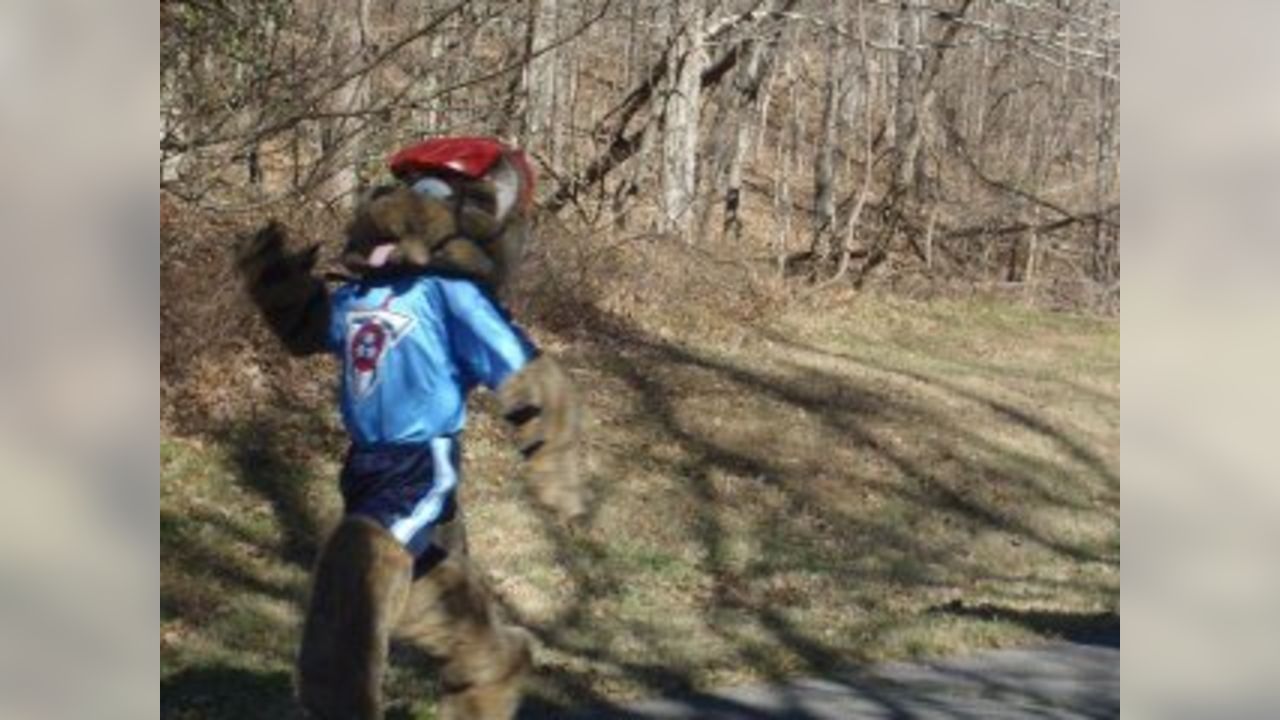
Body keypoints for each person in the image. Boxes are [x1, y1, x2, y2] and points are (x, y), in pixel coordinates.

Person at [236, 137, 583, 719]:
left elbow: (524, 371)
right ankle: (488, 664)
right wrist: (281, 289)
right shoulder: (363, 291)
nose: (403, 205)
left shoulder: (452, 293)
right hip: (365, 462)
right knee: (431, 582)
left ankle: (332, 708)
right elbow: (314, 331)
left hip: (420, 461)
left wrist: (555, 459)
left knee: (358, 564)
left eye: (428, 192)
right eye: (406, 189)